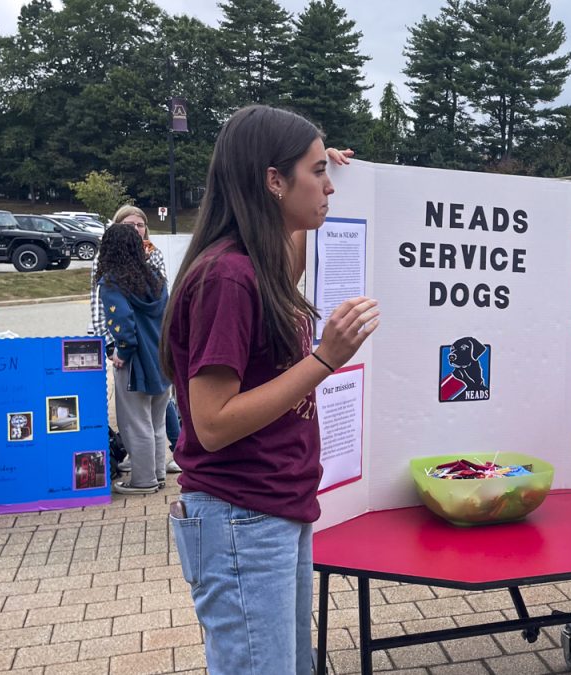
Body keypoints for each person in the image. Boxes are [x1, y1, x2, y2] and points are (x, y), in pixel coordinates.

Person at [160, 105, 379, 674]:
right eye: (316, 171)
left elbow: (289, 261)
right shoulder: (226, 277)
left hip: (270, 509)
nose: (329, 184)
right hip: (241, 516)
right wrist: (325, 358)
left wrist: (327, 171)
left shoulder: (257, 263)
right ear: (273, 181)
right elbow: (212, 423)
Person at [91, 206, 183, 475]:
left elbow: (123, 323)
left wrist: (121, 350)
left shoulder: (112, 281)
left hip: (134, 361)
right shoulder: (156, 277)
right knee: (156, 423)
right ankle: (158, 474)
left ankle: (143, 480)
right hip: (159, 356)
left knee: (135, 423)